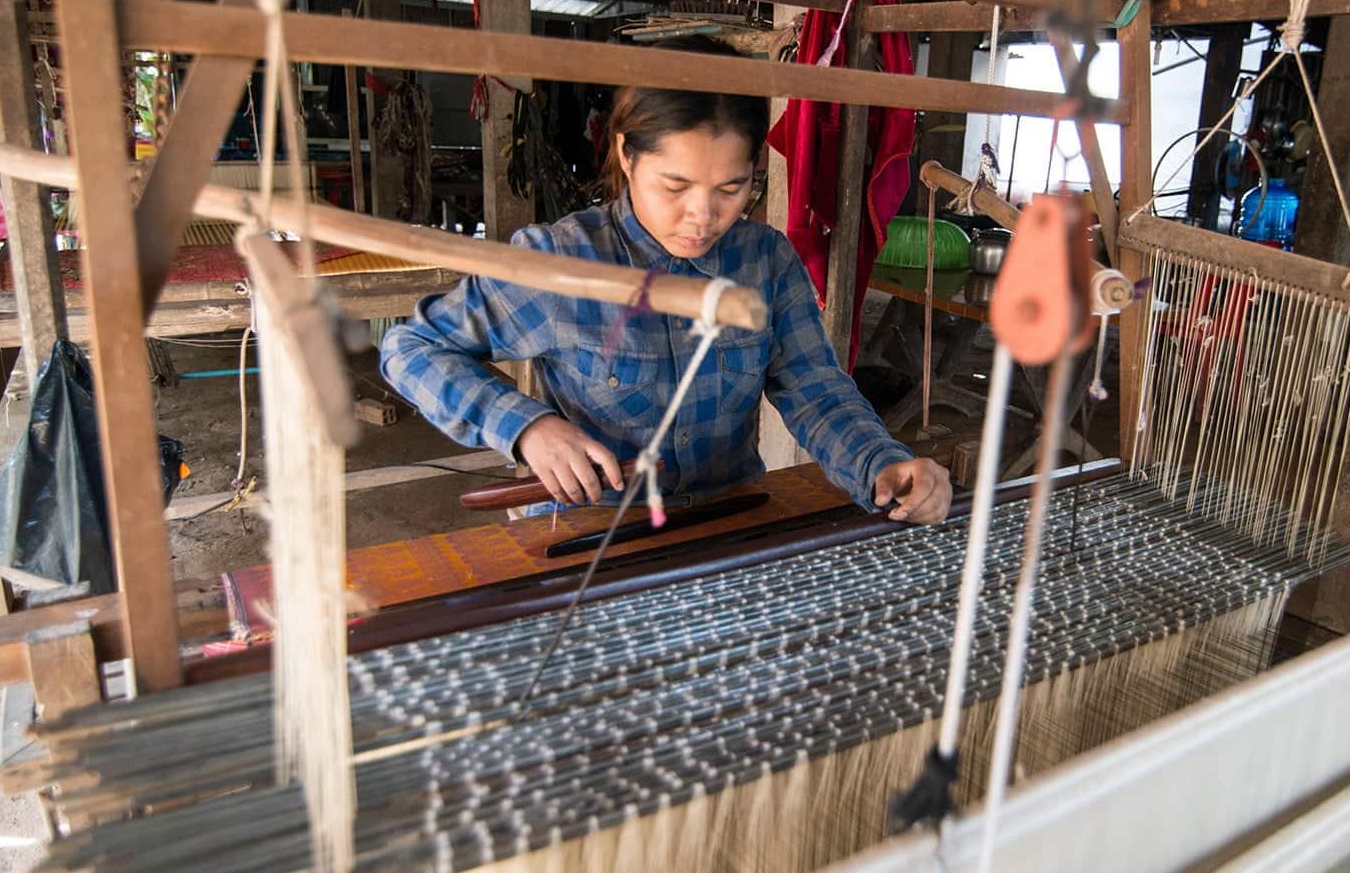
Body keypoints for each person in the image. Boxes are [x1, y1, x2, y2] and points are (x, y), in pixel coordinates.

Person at [380, 38, 951, 524]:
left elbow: (816, 390)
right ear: (627, 155)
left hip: (724, 519)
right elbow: (411, 348)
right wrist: (527, 427)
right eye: (675, 187)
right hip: (589, 529)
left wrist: (881, 462)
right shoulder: (564, 264)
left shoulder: (764, 263)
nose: (702, 217)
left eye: (731, 189)